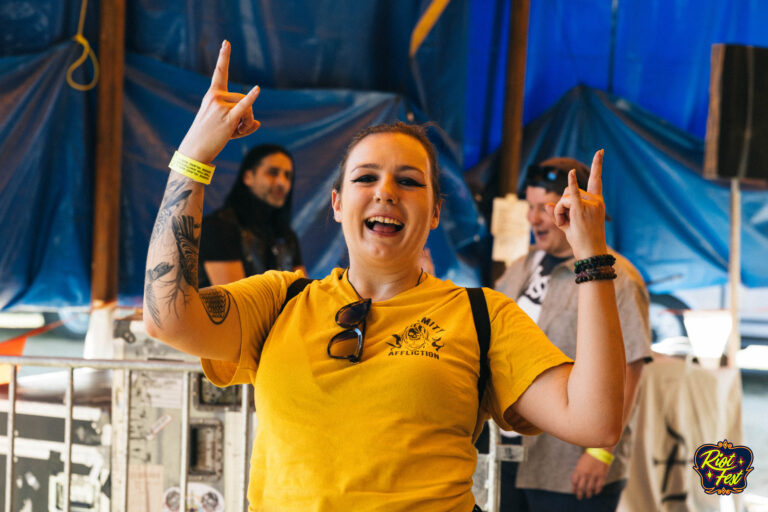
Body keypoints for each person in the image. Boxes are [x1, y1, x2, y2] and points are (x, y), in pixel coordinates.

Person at [144, 40, 627, 511]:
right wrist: (194, 158)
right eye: (365, 177)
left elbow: (596, 422)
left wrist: (592, 257)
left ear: (436, 212)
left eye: (410, 181)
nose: (386, 192)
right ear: (336, 204)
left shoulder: (482, 316)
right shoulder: (279, 300)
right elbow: (167, 318)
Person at [495, 157, 652, 511]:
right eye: (530, 207)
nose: (533, 218)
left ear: (571, 211)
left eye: (544, 208)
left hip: (567, 464)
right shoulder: (523, 266)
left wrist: (600, 452)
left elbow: (631, 368)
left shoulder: (619, 276)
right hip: (509, 453)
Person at [197, 143, 304, 287]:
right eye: (273, 172)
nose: (282, 182)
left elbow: (305, 296)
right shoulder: (218, 227)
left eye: (288, 176)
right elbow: (235, 302)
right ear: (248, 177)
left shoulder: (286, 236)